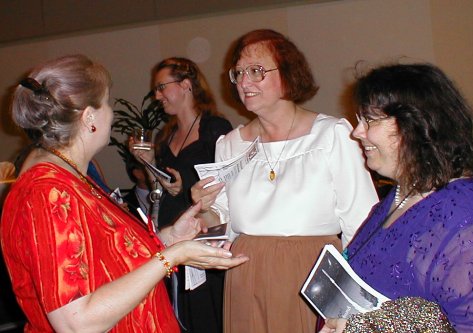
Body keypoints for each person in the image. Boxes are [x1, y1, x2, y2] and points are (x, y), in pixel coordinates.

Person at [0, 54, 248, 333]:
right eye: (106, 103)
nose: (111, 113)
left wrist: (169, 238)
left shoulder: (70, 177)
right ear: (89, 117)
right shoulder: (47, 192)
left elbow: (110, 259)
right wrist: (173, 256)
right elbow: (76, 322)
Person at [191, 29, 379, 333]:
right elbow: (222, 222)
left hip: (315, 276)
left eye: (256, 71)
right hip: (247, 275)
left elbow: (362, 224)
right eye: (238, 73)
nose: (244, 82)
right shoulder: (229, 144)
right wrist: (204, 209)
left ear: (289, 74)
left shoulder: (332, 135)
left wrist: (348, 304)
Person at [320, 63, 473, 333]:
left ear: (416, 125)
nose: (357, 132)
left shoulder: (467, 224)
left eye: (369, 120)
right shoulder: (402, 194)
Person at [131, 57, 233, 333]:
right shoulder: (167, 135)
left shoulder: (215, 129)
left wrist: (186, 187)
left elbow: (228, 182)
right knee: (179, 312)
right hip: (171, 232)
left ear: (186, 85)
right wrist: (148, 162)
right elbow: (157, 189)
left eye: (162, 87)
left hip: (202, 232)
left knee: (206, 313)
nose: (157, 96)